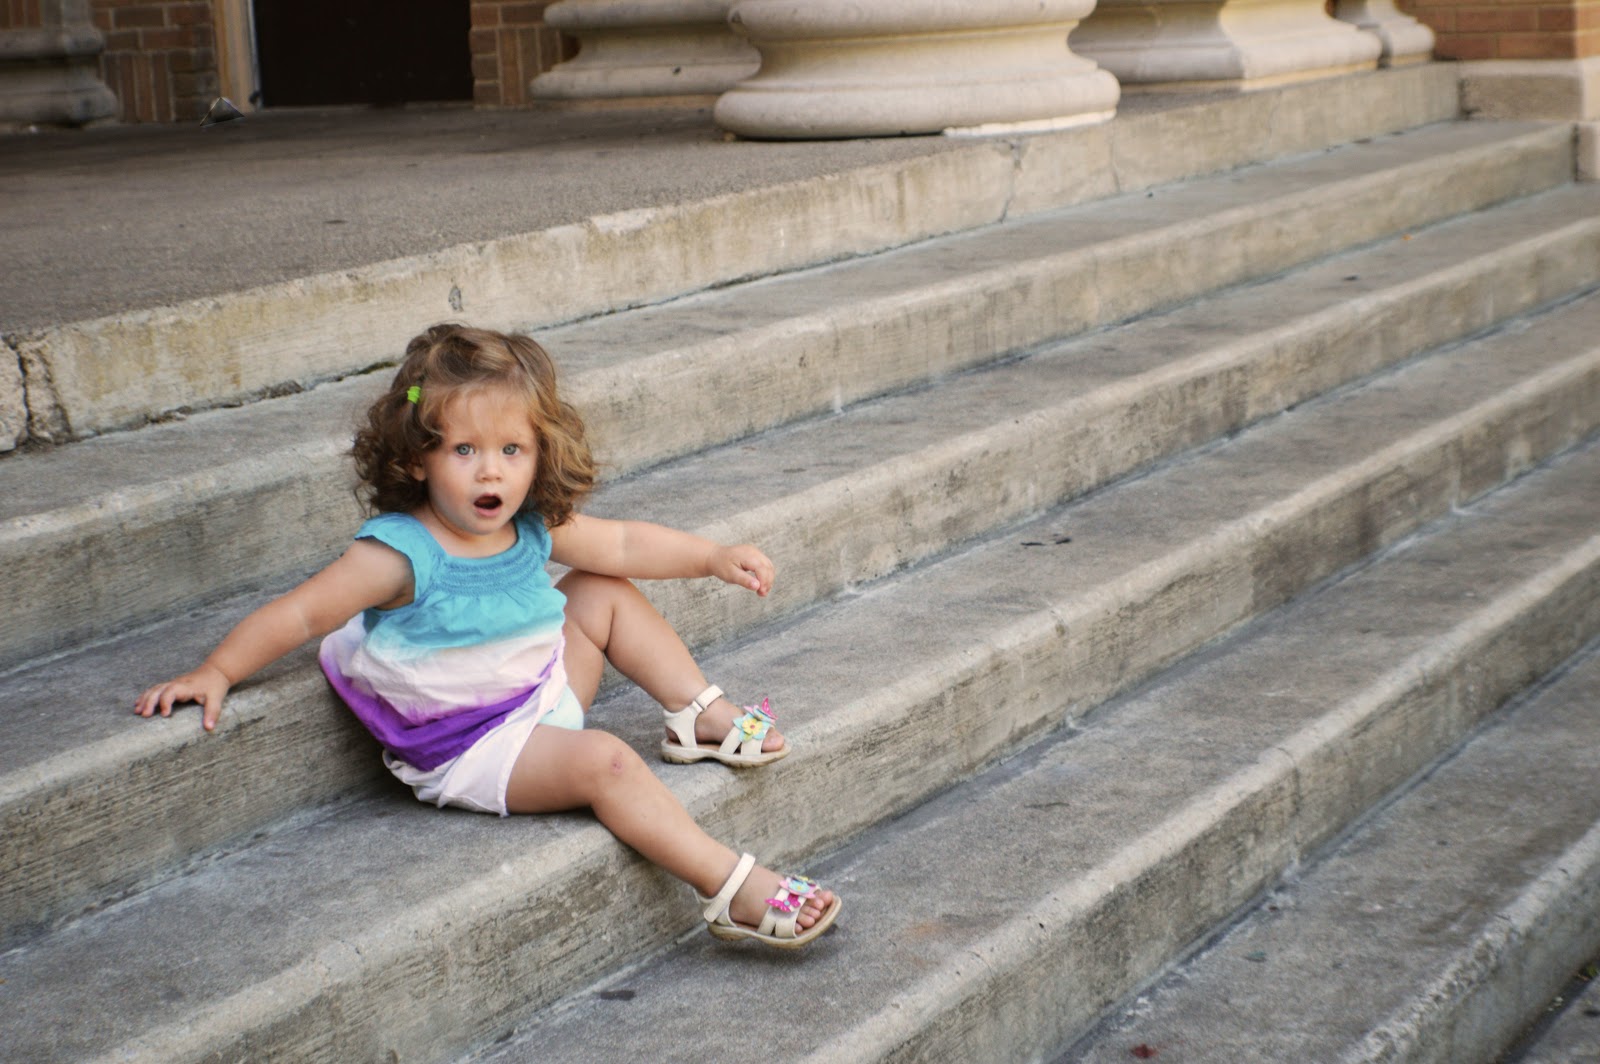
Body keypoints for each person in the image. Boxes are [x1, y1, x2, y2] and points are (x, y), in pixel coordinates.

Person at [135, 323, 840, 948]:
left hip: (538, 695)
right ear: (418, 458)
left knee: (602, 588)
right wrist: (218, 670)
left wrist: (710, 556)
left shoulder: (527, 523)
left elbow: (623, 544)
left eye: (511, 448)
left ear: (539, 453)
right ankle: (729, 886)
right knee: (608, 762)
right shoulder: (400, 555)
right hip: (475, 748)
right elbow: (299, 616)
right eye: (464, 449)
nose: (491, 470)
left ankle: (700, 714)